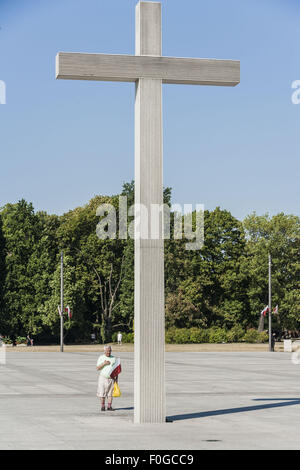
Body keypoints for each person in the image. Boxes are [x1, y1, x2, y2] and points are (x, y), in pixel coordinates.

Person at [96, 345, 116, 412]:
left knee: (111, 393)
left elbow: (116, 369)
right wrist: (104, 363)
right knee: (102, 392)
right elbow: (97, 368)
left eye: (110, 351)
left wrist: (116, 379)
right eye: (107, 351)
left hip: (112, 378)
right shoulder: (101, 357)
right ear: (104, 351)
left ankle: (109, 406)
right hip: (103, 378)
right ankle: (102, 406)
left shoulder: (114, 358)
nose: (109, 352)